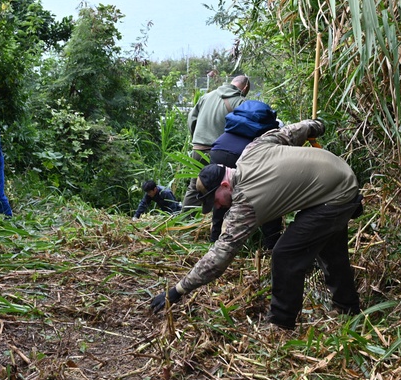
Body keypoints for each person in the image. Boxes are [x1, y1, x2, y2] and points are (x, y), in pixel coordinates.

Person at [150, 119, 363, 330]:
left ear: (225, 184)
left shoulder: (245, 203)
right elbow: (290, 131)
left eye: (215, 200)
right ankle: (347, 307)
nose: (217, 206)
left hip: (335, 196)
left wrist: (177, 291)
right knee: (330, 248)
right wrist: (316, 125)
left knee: (285, 254)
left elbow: (218, 258)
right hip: (340, 175)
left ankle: (281, 323)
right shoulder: (252, 149)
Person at [208, 99, 283, 247]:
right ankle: (271, 243)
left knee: (219, 195)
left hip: (218, 151)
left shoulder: (236, 123)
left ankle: (215, 239)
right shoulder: (270, 126)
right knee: (268, 195)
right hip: (245, 156)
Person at [183, 74, 250, 210]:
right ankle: (219, 225)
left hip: (198, 148)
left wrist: (197, 139)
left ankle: (183, 222)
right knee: (222, 188)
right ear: (246, 87)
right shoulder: (240, 102)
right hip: (221, 153)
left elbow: (191, 118)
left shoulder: (206, 96)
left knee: (194, 186)